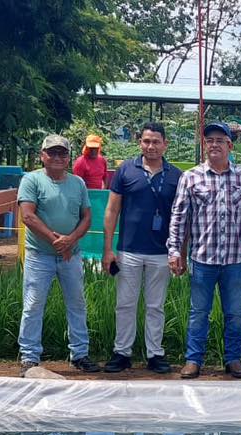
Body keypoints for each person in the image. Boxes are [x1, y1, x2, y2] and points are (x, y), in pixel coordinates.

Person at [167, 121, 241, 380]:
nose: (214, 145)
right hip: (202, 259)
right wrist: (175, 251)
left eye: (220, 140)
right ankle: (193, 359)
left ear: (230, 146)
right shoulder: (191, 177)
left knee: (235, 313)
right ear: (204, 145)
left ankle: (233, 359)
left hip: (235, 260)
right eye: (209, 141)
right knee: (198, 313)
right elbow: (179, 217)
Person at [101, 123, 183, 374]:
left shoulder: (176, 176)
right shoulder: (126, 170)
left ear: (165, 144)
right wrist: (108, 248)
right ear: (140, 143)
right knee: (125, 304)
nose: (151, 146)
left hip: (161, 252)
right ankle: (122, 352)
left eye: (156, 141)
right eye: (146, 141)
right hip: (129, 250)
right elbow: (112, 210)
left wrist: (180, 252)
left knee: (155, 306)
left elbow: (182, 217)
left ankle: (155, 354)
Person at [17, 134, 102, 375]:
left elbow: (87, 217)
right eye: (52, 152)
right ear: (42, 155)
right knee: (33, 304)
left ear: (68, 157)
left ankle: (80, 354)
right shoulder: (31, 180)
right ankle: (29, 357)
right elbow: (28, 216)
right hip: (39, 255)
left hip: (71, 256)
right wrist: (57, 241)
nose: (57, 157)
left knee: (77, 304)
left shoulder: (78, 183)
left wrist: (71, 240)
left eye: (62, 153)